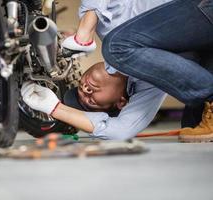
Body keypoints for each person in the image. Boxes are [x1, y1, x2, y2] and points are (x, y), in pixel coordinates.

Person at [21, 0, 213, 142]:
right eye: (92, 102)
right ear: (121, 102)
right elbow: (120, 131)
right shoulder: (149, 89)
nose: (86, 90)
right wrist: (54, 108)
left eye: (80, 90)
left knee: (115, 47)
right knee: (192, 124)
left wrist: (85, 29)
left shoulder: (107, 29)